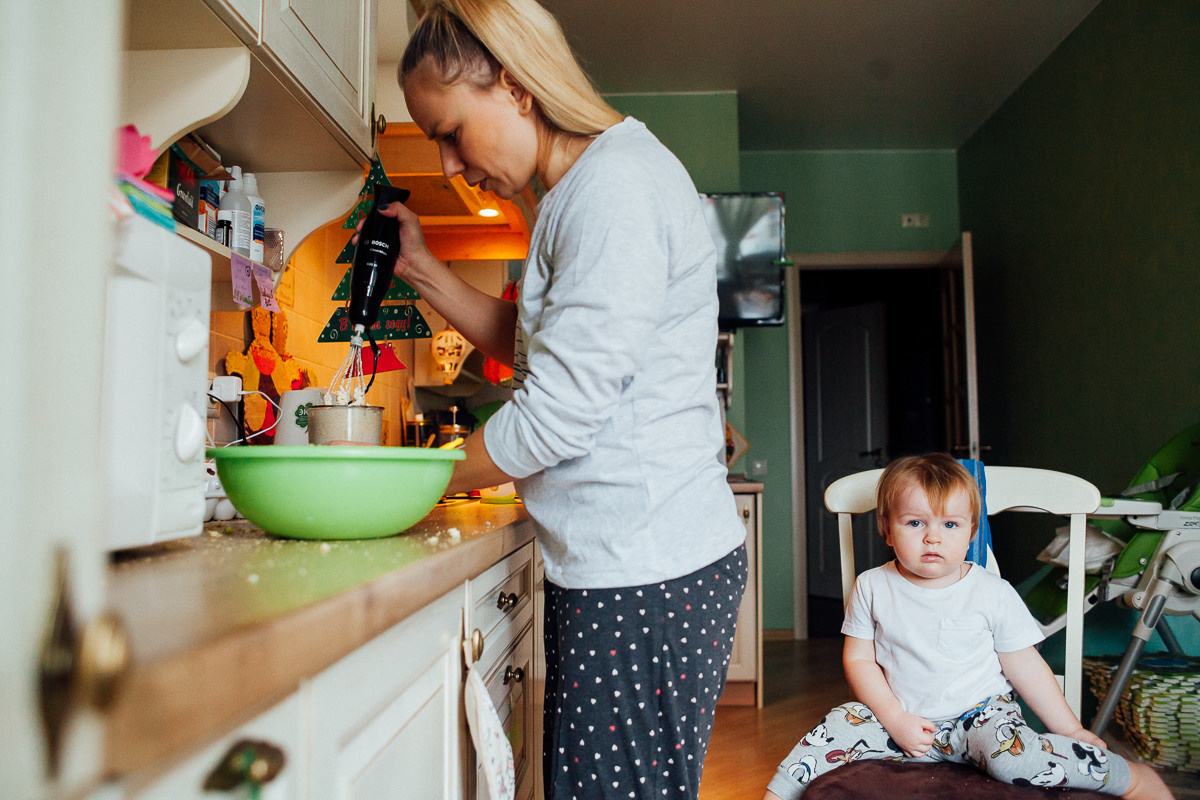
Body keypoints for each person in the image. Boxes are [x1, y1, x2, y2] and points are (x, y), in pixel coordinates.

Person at [377, 1, 749, 797]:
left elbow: (557, 412)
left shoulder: (614, 189)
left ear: (514, 86)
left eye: (450, 132)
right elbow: (539, 347)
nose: (449, 165)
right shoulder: (580, 191)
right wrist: (423, 271)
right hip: (632, 567)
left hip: (646, 572)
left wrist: (405, 484)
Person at [765, 453, 1173, 800]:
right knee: (837, 725)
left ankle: (1131, 779)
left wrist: (1070, 729)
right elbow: (858, 659)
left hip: (979, 717)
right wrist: (893, 718)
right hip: (900, 718)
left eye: (950, 525)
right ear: (887, 529)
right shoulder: (872, 586)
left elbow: (1026, 667)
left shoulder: (991, 592)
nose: (933, 538)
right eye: (915, 523)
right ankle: (776, 794)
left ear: (971, 532)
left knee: (1013, 758)